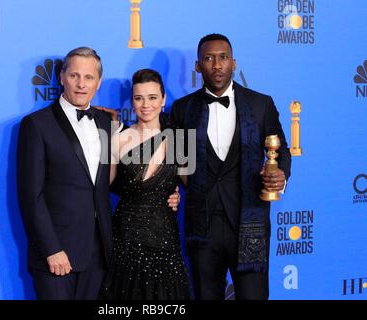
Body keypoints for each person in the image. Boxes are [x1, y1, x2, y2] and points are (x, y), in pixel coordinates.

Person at [17, 47, 181, 300]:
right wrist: (52, 249)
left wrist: (170, 191)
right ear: (62, 77)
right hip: (58, 252)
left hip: (101, 251)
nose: (81, 84)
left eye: (89, 78)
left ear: (98, 82)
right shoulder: (37, 125)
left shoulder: (107, 124)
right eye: (75, 76)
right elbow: (31, 197)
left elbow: (119, 180)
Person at [170, 34, 291, 300]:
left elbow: (281, 151)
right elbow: (173, 160)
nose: (217, 65)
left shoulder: (261, 104)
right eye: (209, 58)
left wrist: (280, 176)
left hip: (249, 221)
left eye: (223, 57)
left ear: (233, 63)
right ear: (198, 65)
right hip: (202, 226)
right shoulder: (182, 109)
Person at [100, 69, 190, 300]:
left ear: (163, 100)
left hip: (165, 240)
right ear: (132, 101)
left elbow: (194, 186)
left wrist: (177, 192)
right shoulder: (117, 138)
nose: (145, 104)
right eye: (139, 98)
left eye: (152, 97)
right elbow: (104, 185)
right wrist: (107, 134)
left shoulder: (179, 139)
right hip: (126, 238)